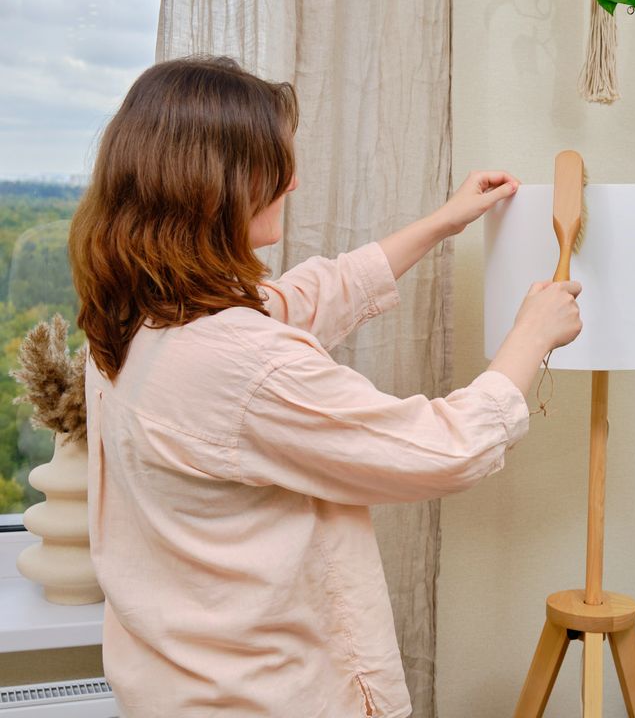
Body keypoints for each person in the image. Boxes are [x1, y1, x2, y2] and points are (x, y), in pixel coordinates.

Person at [68, 56, 582, 718]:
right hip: (269, 698)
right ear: (216, 186)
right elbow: (440, 449)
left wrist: (441, 223)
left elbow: (302, 297)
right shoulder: (236, 360)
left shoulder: (133, 314)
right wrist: (531, 337)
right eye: (276, 166)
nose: (296, 180)